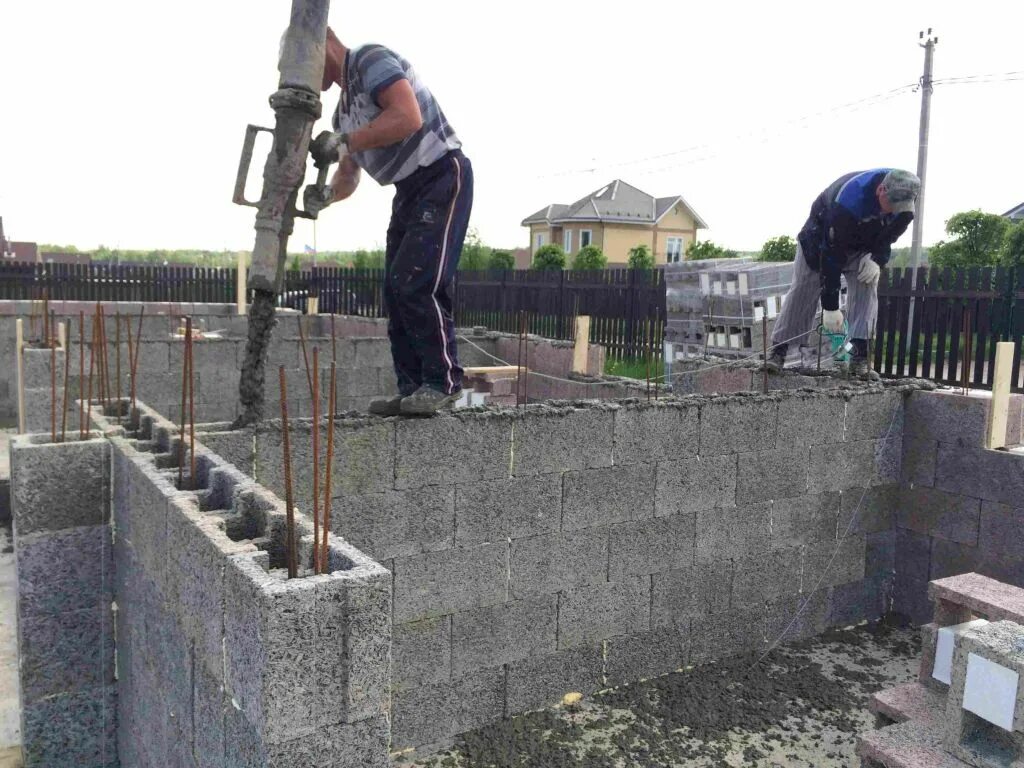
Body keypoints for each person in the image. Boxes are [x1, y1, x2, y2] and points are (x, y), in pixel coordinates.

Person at [305, 27, 472, 416]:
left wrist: (345, 142)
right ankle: (413, 387)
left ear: (325, 41)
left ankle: (442, 383)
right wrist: (327, 196)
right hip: (408, 190)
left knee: (415, 279)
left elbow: (406, 116)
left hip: (441, 173)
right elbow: (349, 175)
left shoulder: (369, 60)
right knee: (395, 288)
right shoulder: (342, 112)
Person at [766, 168, 920, 379]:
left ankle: (859, 356)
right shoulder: (848, 201)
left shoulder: (904, 205)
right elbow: (832, 254)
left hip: (862, 245)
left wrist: (877, 259)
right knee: (804, 288)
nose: (894, 211)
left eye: (899, 207)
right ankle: (778, 351)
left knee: (867, 282)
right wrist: (830, 307)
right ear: (881, 191)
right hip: (820, 243)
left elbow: (891, 234)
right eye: (891, 204)